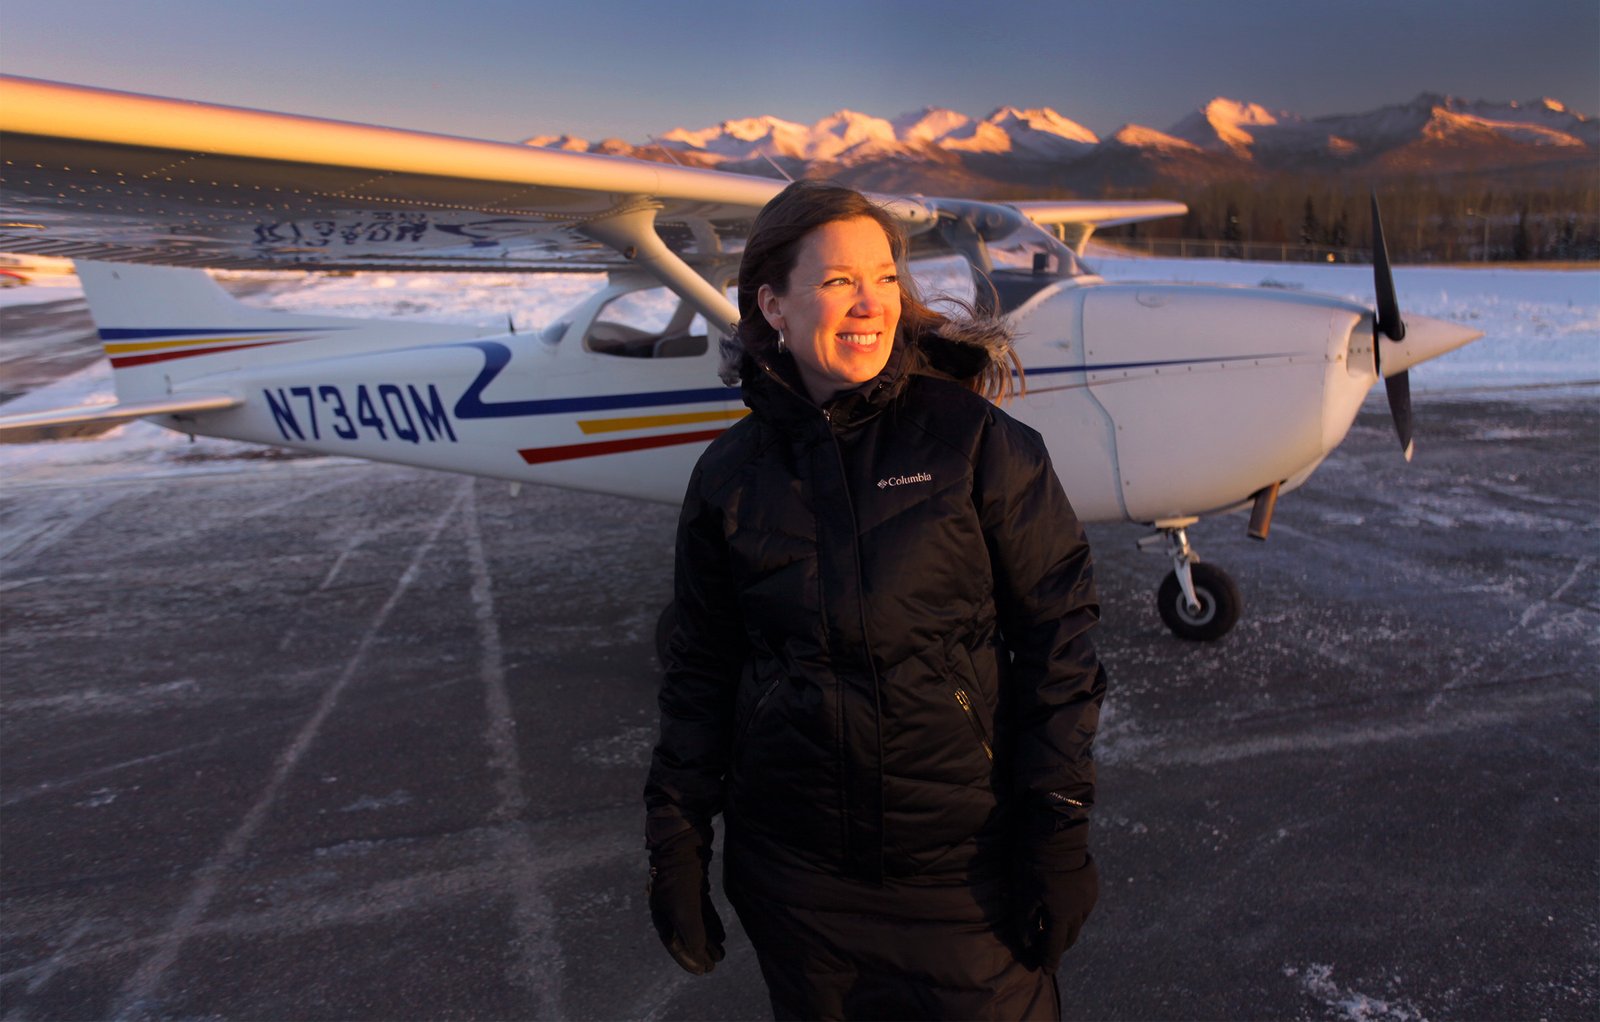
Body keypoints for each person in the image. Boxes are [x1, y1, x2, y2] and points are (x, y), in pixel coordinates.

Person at [643, 181, 1106, 1021]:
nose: (870, 304)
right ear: (772, 307)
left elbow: (1059, 641)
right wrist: (676, 846)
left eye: (885, 277)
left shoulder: (975, 445)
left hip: (962, 883)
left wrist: (1058, 826)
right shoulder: (729, 478)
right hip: (797, 889)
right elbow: (701, 672)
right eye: (836, 281)